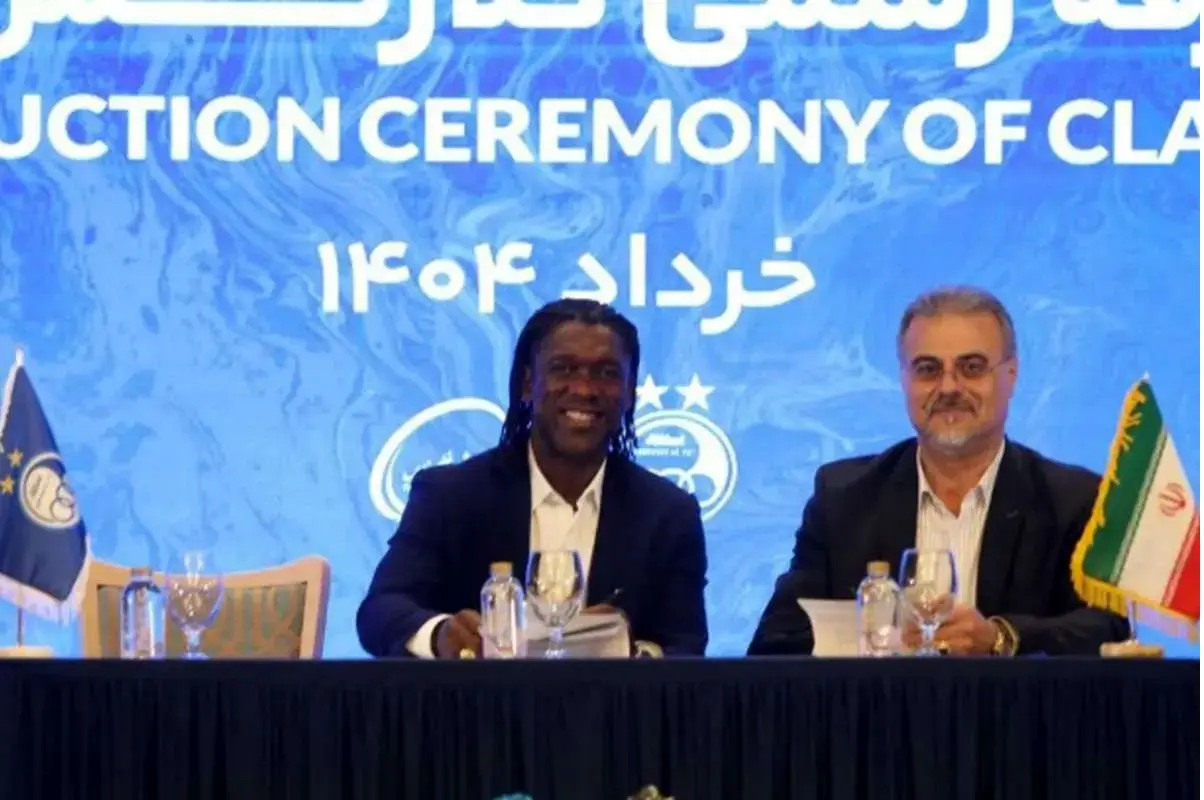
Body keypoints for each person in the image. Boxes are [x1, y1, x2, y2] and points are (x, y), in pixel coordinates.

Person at [747, 286, 1129, 657]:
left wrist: (1000, 637)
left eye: (971, 368)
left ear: (1011, 375)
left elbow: (1109, 628)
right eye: (928, 369)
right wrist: (881, 640)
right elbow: (775, 642)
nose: (948, 387)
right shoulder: (845, 499)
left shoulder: (1072, 500)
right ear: (904, 380)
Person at [357, 298, 709, 659]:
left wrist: (628, 651)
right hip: (476, 697)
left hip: (611, 698)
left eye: (606, 373)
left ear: (630, 391)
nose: (584, 389)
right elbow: (381, 610)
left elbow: (686, 645)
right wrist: (441, 634)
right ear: (528, 383)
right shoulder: (450, 495)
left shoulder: (668, 513)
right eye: (563, 369)